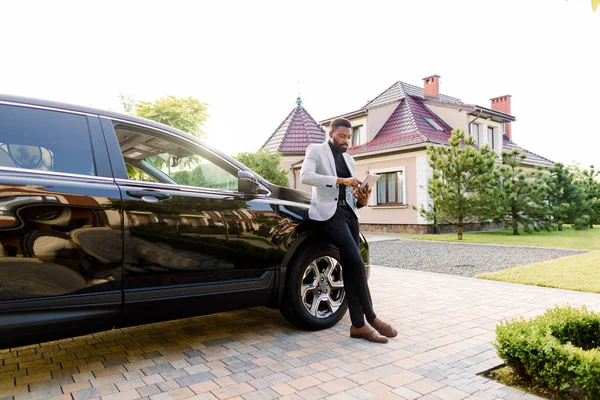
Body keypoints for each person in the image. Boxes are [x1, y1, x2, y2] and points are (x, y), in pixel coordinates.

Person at [300, 118, 397, 343]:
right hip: (329, 214)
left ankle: (358, 325)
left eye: (349, 137)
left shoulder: (349, 160)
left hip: (350, 214)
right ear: (331, 133)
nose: (346, 141)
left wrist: (362, 199)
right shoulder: (315, 150)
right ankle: (371, 318)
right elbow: (306, 176)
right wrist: (339, 180)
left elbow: (353, 196)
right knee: (354, 260)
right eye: (342, 136)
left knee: (356, 268)